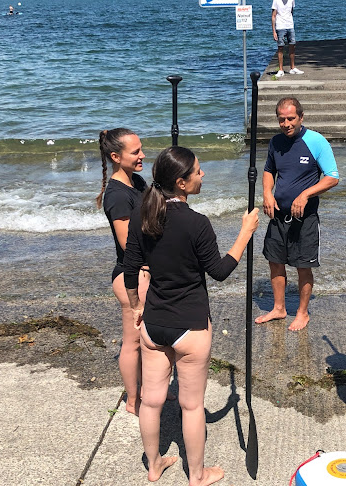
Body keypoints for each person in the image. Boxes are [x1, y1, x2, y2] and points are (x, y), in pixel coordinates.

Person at [123, 146, 259, 484]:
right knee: (192, 406)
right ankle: (196, 475)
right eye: (198, 171)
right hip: (191, 326)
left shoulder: (145, 217)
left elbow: (130, 269)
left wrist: (136, 306)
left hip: (153, 325)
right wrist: (245, 232)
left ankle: (154, 465)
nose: (203, 175)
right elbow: (220, 270)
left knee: (151, 402)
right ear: (182, 183)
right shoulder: (196, 223)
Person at [256, 97, 339, 331]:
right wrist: (266, 193)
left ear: (301, 117)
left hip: (306, 219)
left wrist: (305, 195)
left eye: (291, 118)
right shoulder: (275, 142)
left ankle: (302, 312)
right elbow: (269, 170)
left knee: (303, 266)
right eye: (281, 119)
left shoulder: (316, 141)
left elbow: (332, 177)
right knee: (275, 262)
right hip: (278, 216)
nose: (286, 123)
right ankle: (279, 308)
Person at [96, 128, 150, 416]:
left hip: (147, 271)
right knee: (132, 342)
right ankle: (133, 400)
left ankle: (148, 391)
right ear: (116, 157)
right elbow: (128, 243)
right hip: (131, 274)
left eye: (141, 149)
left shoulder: (137, 181)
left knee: (149, 340)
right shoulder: (116, 195)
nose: (142, 155)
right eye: (135, 152)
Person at [272, 0, 304, 77]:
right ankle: (280, 69)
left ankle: (292, 67)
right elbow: (273, 15)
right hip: (280, 26)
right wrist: (274, 31)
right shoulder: (276, 1)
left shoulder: (291, 1)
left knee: (292, 45)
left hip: (290, 25)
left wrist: (289, 20)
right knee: (280, 47)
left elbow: (291, 11)